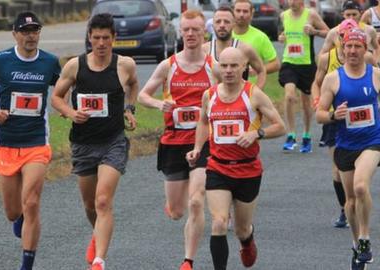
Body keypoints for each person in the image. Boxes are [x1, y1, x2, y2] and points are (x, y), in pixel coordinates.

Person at [0, 12, 61, 270]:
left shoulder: (50, 62)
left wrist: (66, 108)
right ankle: (19, 218)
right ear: (15, 34)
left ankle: (26, 265)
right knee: (13, 211)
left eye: (35, 30)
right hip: (6, 143)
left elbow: (64, 87)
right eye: (25, 31)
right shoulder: (1, 60)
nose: (31, 36)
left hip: (36, 142)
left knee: (31, 201)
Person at [50, 13, 138, 270]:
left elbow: (133, 85)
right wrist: (69, 112)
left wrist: (130, 109)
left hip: (113, 141)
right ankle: (97, 233)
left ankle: (99, 260)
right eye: (96, 38)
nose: (101, 43)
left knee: (102, 201)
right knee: (90, 205)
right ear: (89, 38)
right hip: (83, 143)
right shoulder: (75, 66)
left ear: (114, 38)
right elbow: (56, 97)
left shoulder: (125, 65)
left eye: (106, 38)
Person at [186, 47, 285, 270]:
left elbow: (281, 126)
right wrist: (197, 148)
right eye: (224, 66)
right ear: (218, 68)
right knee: (219, 222)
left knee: (241, 229)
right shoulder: (209, 95)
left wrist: (256, 134)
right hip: (218, 168)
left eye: (234, 66)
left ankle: (247, 240)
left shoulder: (254, 94)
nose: (228, 71)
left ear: (244, 68)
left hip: (248, 170)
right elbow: (203, 122)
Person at [138, 9, 217, 270]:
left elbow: (229, 94)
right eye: (187, 30)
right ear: (181, 32)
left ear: (203, 32)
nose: (191, 34)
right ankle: (172, 205)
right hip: (173, 142)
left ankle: (188, 261)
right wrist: (160, 104)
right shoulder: (168, 65)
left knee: (197, 200)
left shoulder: (212, 67)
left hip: (203, 143)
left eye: (196, 29)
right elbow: (143, 95)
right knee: (177, 212)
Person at [316, 28, 380, 269]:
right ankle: (356, 244)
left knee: (361, 186)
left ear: (365, 50)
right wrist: (334, 114)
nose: (352, 51)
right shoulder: (334, 78)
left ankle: (364, 238)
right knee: (350, 202)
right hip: (345, 144)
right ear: (343, 49)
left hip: (373, 141)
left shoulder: (375, 74)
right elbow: (319, 115)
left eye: (358, 47)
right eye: (349, 47)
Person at [278, 0, 329, 153]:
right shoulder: (283, 15)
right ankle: (291, 134)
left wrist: (314, 32)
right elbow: (283, 33)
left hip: (306, 64)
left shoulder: (311, 14)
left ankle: (306, 135)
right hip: (289, 62)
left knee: (306, 103)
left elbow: (328, 32)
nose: (291, 2)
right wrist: (281, 37)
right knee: (289, 95)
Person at [203, 6, 267, 89]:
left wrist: (253, 94)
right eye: (218, 22)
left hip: (238, 100)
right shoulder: (204, 50)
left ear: (234, 24)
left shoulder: (245, 49)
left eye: (226, 22)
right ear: (213, 24)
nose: (222, 25)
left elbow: (262, 71)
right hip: (212, 101)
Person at [232, 0, 280, 75]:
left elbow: (276, 64)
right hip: (227, 86)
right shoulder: (225, 35)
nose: (241, 14)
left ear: (251, 14)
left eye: (245, 11)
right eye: (238, 11)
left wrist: (259, 70)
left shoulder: (260, 37)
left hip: (253, 86)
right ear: (232, 13)